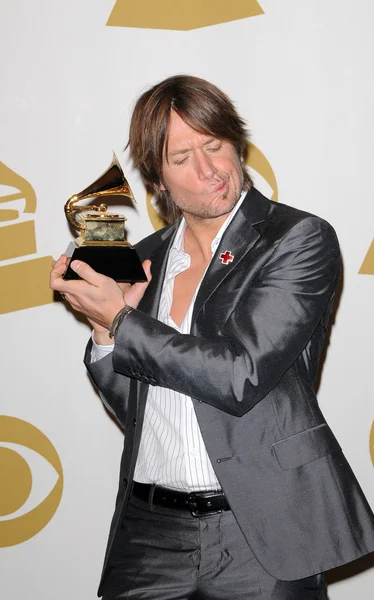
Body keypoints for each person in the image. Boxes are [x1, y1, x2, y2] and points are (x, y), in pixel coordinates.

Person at [50, 75, 374, 600]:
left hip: (261, 531)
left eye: (215, 145)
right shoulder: (146, 258)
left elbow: (239, 375)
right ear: (158, 175)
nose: (210, 171)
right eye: (182, 157)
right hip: (149, 533)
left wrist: (124, 323)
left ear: (235, 143)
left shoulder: (296, 239)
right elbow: (138, 404)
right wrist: (104, 334)